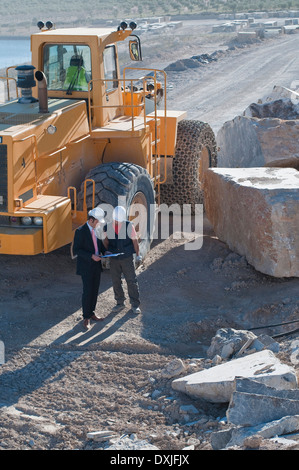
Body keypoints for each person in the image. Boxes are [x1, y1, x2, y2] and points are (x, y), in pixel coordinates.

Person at [103, 206, 142, 314]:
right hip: (114, 259)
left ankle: (135, 305)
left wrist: (138, 255)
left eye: (118, 220)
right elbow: (106, 241)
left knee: (131, 281)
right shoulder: (108, 227)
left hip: (127, 258)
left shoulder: (129, 226)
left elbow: (135, 242)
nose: (116, 222)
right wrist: (106, 253)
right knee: (116, 281)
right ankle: (120, 303)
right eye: (115, 220)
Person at [73, 207, 106, 330]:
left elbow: (100, 245)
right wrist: (91, 256)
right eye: (97, 221)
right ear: (91, 220)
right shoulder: (80, 231)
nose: (99, 224)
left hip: (96, 266)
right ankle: (86, 317)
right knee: (87, 291)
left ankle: (92, 313)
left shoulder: (97, 230)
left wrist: (105, 252)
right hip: (86, 266)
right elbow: (76, 250)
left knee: (94, 290)